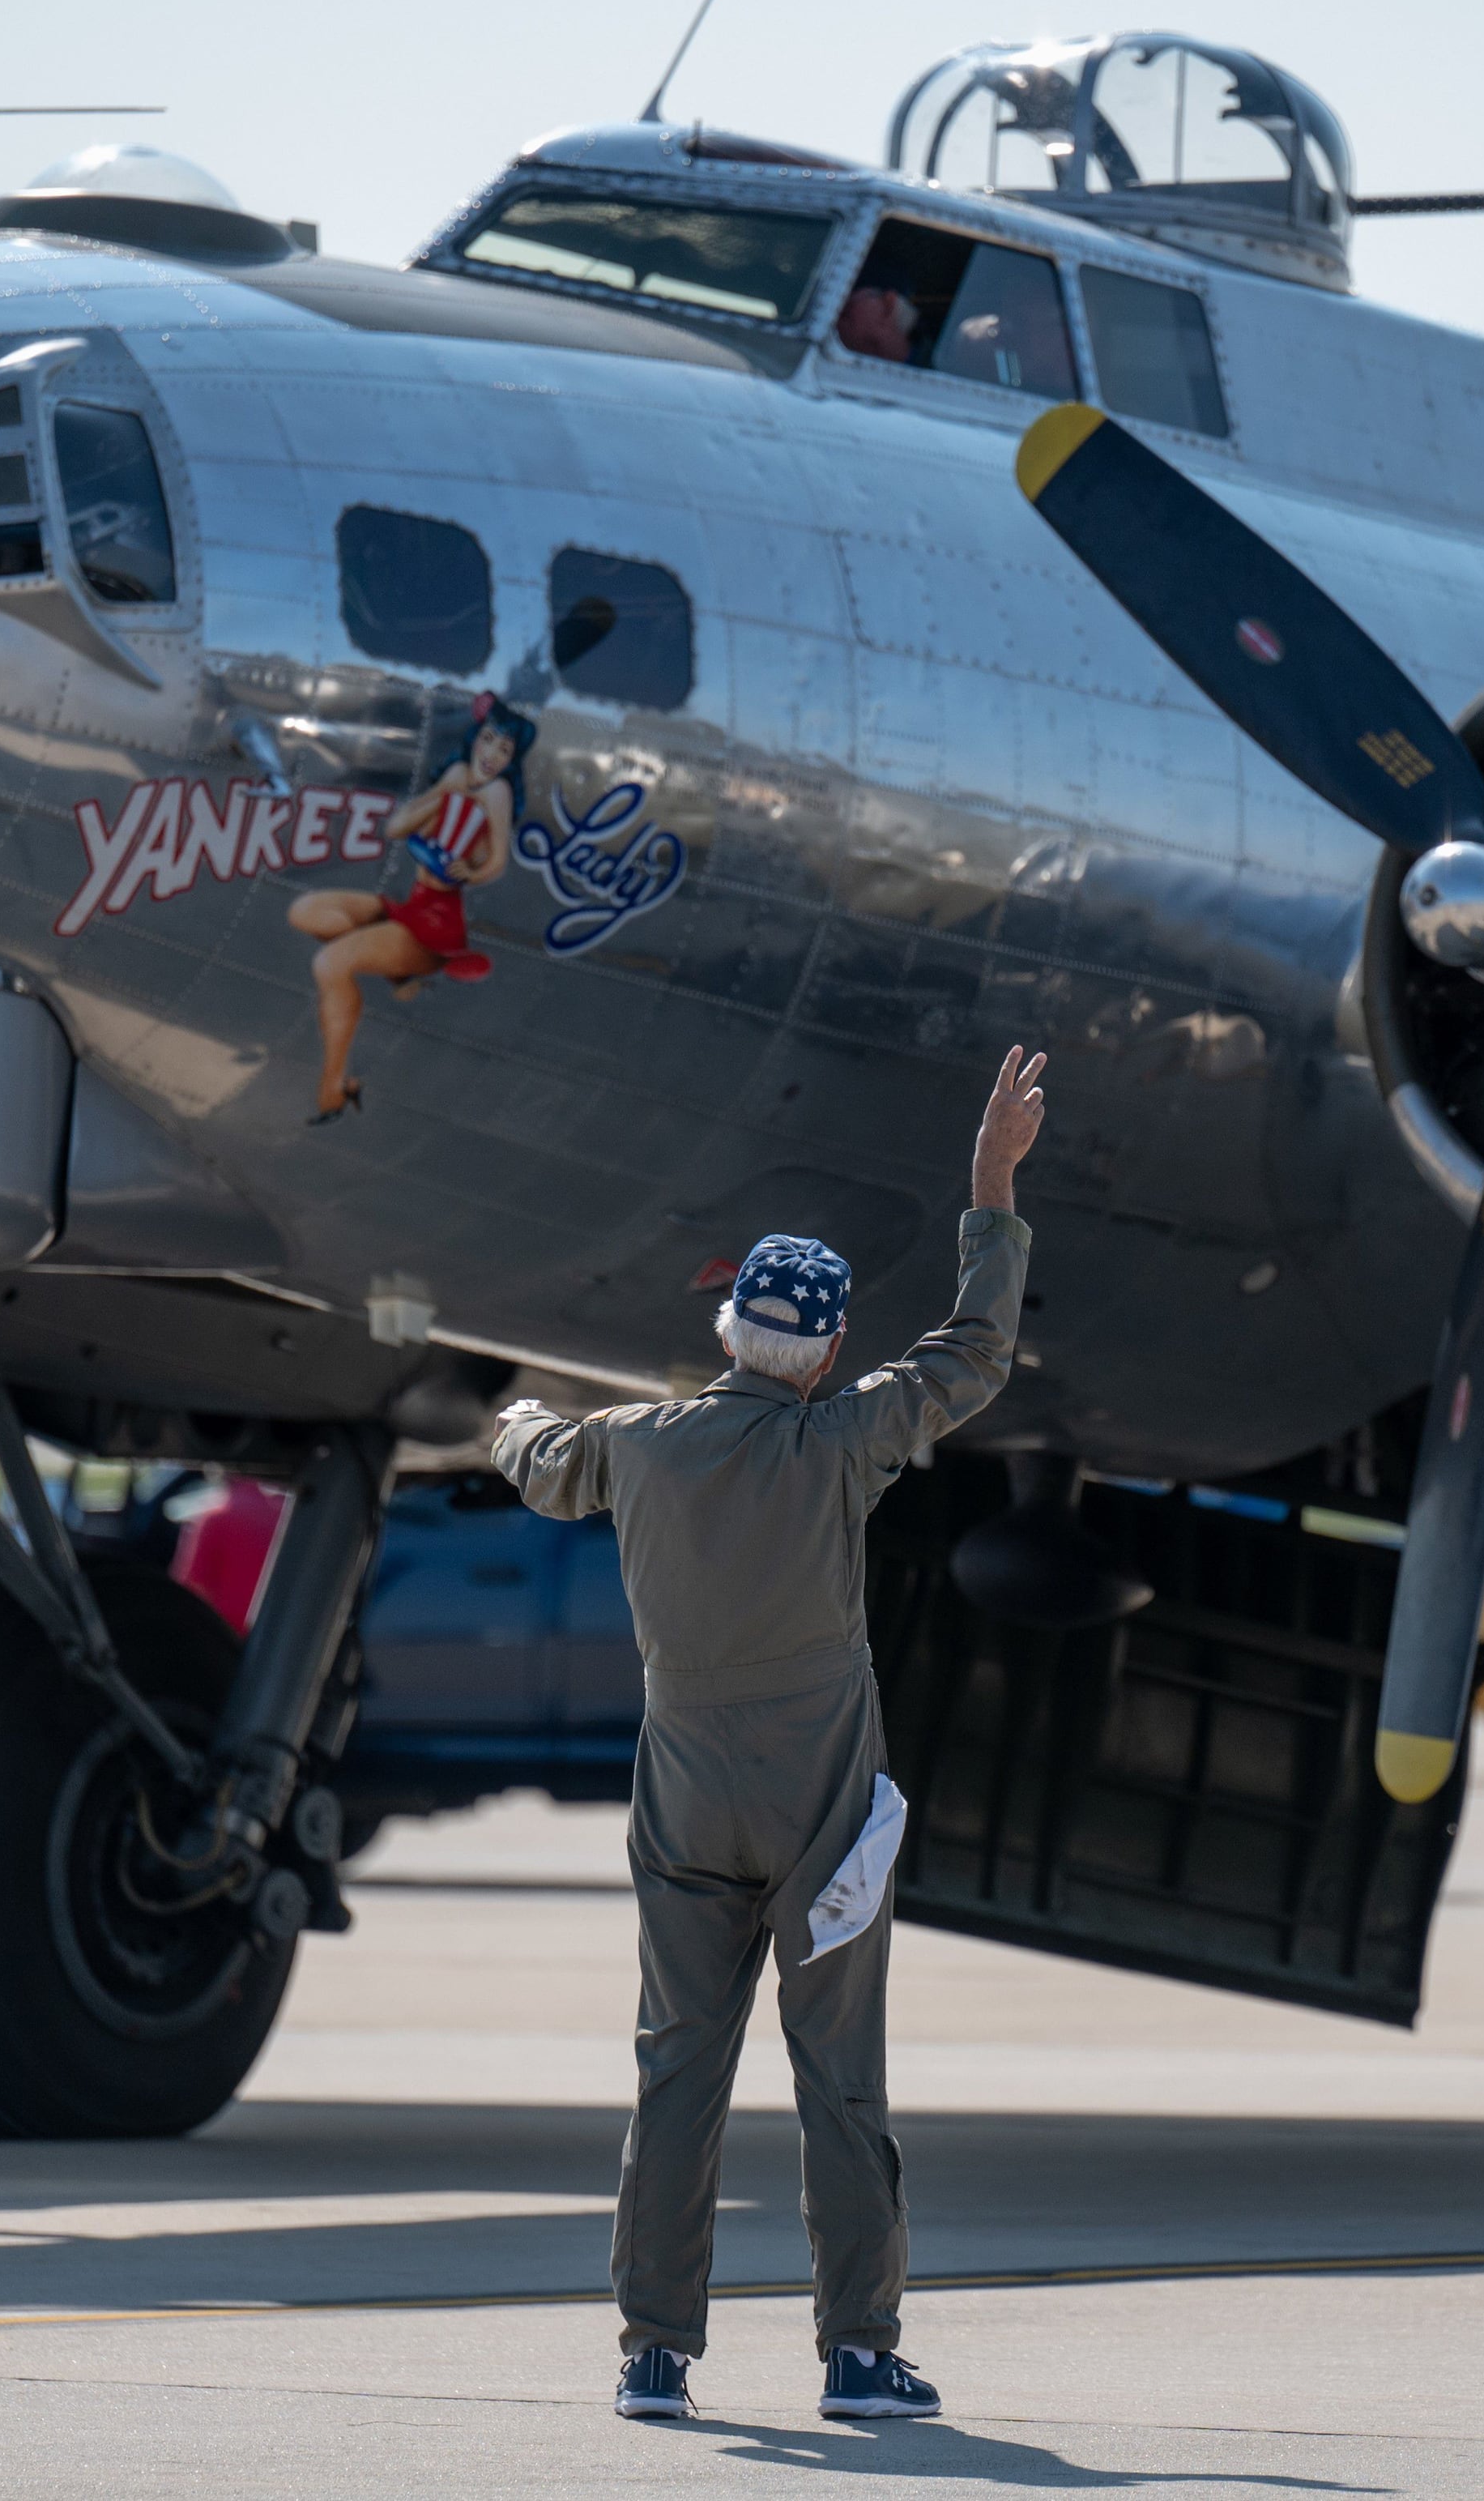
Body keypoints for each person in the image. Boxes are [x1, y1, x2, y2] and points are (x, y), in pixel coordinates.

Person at [491, 1044, 1050, 2427]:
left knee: (676, 2069)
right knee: (837, 2076)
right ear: (830, 1348)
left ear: (732, 1324)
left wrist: (502, 1413)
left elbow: (538, 1455)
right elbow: (974, 1354)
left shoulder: (637, 1444)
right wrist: (991, 1185)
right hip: (823, 1822)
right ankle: (860, 2353)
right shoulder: (842, 1441)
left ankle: (653, 2354)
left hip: (683, 1809)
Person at [289, 694, 532, 1122]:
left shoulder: (498, 793)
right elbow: (397, 826)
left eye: (505, 749)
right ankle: (398, 970)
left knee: (330, 965)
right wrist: (444, 797)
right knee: (306, 910)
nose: (493, 755)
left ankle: (334, 1086)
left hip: (437, 923)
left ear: (512, 758)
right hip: (412, 905)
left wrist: (469, 873)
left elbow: (497, 861)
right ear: (476, 739)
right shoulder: (458, 775)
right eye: (489, 740)